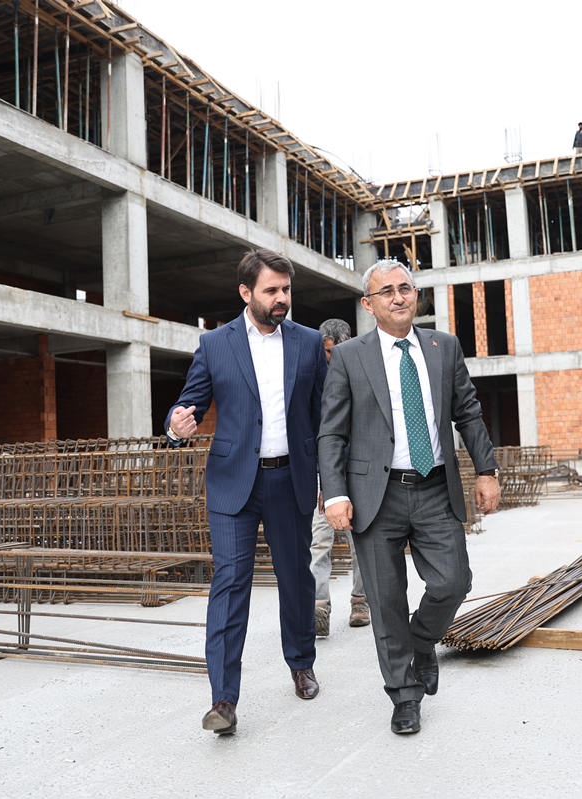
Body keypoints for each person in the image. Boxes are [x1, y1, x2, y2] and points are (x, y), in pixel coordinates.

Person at [317, 260, 500, 736]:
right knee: (385, 602)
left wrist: (486, 470)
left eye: (405, 288)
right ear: (368, 304)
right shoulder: (350, 357)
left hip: (435, 487)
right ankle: (404, 695)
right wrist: (334, 493)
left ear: (416, 294)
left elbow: (468, 412)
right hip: (375, 496)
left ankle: (421, 642)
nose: (398, 297)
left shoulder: (444, 346)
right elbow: (332, 432)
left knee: (453, 582)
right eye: (387, 291)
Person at [165, 248, 328, 736]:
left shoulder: (308, 342)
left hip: (290, 478)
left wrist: (331, 480)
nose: (282, 298)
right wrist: (176, 426)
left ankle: (301, 662)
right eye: (271, 290)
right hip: (233, 480)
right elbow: (189, 403)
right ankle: (223, 699)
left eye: (286, 290)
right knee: (231, 582)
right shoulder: (215, 344)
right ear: (245, 292)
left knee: (294, 577)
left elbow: (324, 417)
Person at [310, 318, 368, 636]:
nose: (330, 358)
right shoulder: (314, 380)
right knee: (319, 541)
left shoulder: (361, 375)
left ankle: (360, 601)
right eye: (326, 352)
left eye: (335, 351)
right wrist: (325, 480)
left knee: (360, 542)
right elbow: (319, 436)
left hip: (357, 472)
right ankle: (319, 607)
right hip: (324, 475)